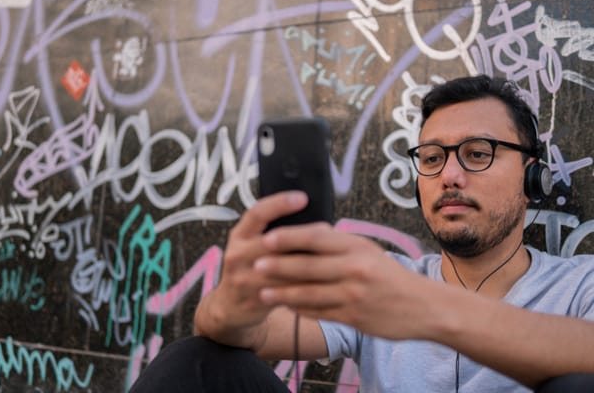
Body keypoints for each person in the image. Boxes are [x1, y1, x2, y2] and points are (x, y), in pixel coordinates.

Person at [129, 75, 594, 393]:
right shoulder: (385, 281)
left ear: (533, 178)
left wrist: (424, 308)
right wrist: (232, 304)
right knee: (195, 361)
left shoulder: (579, 286)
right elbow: (245, 334)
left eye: (477, 154)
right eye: (432, 158)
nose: (450, 174)